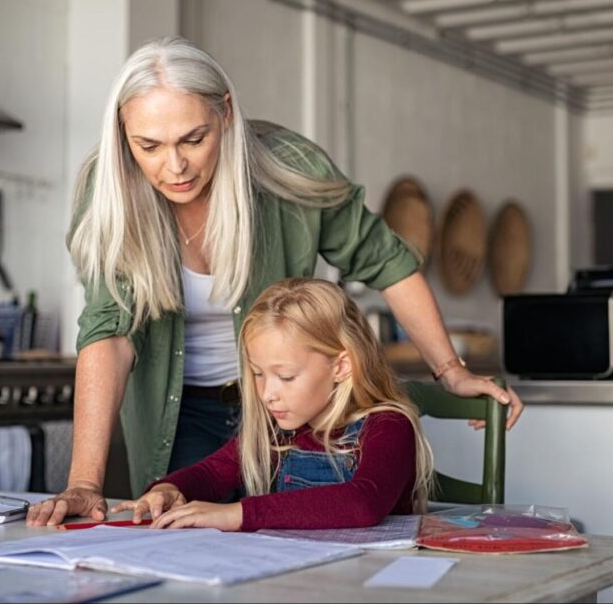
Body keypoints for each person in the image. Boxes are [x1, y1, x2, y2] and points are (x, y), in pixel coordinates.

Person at [26, 36, 523, 527]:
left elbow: (386, 262)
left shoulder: (291, 170)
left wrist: (449, 369)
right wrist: (85, 483)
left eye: (193, 140)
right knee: (185, 536)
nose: (173, 166)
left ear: (225, 113)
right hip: (177, 412)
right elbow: (107, 333)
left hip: (288, 402)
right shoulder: (111, 191)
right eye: (149, 146)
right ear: (123, 133)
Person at [111, 278, 434, 531]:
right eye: (258, 374)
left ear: (341, 367)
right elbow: (212, 473)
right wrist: (169, 488)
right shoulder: (276, 430)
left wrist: (237, 514)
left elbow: (363, 503)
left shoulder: (388, 425)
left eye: (286, 376)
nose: (267, 394)